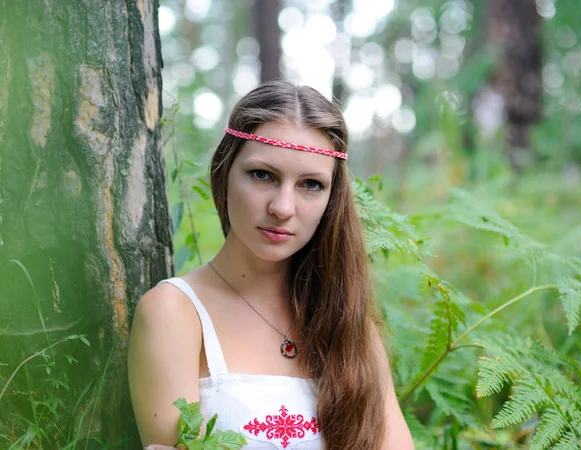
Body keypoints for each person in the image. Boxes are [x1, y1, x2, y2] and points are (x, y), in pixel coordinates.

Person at [127, 80, 415, 450]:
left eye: (310, 185)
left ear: (332, 199)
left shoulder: (348, 325)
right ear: (224, 172)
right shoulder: (174, 312)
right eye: (263, 175)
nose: (282, 208)